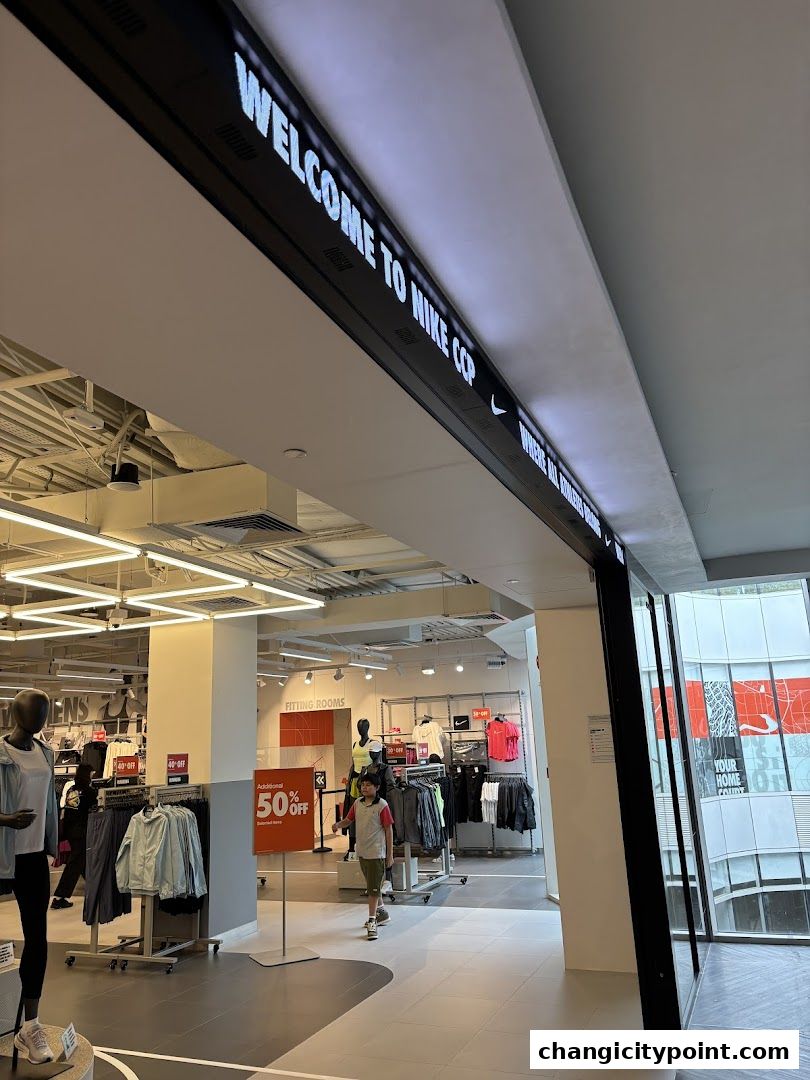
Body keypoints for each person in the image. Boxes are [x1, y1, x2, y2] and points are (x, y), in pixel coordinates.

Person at [0, 689, 59, 1065]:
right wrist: (5, 819)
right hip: (3, 855)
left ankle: (31, 1025)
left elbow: (49, 802)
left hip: (33, 857)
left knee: (38, 939)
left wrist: (53, 841)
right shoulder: (0, 754)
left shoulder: (46, 753)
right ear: (14, 711)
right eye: (33, 711)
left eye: (44, 712)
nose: (39, 717)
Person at [332, 772, 393, 939]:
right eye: (363, 785)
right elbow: (348, 820)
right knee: (372, 884)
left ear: (377, 787)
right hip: (363, 852)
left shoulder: (382, 805)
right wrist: (337, 824)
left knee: (372, 889)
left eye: (368, 785)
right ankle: (382, 913)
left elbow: (389, 830)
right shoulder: (358, 803)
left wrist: (390, 855)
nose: (364, 788)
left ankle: (372, 921)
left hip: (376, 852)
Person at [51, 764, 97, 909]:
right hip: (81, 831)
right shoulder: (89, 792)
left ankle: (96, 888)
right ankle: (60, 897)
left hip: (70, 830)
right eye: (91, 773)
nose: (92, 776)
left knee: (81, 861)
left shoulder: (72, 789)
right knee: (75, 863)